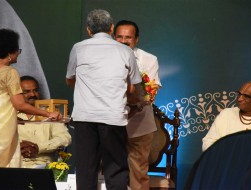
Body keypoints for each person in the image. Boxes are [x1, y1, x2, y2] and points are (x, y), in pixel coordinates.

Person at [66, 10, 141, 190]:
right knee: (115, 167)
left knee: (86, 167)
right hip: (113, 117)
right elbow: (135, 87)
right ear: (112, 28)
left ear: (88, 30)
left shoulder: (78, 48)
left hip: (85, 117)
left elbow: (70, 79)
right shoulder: (125, 50)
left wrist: (88, 88)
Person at [0, 29, 62, 167]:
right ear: (10, 52)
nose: (18, 54)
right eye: (18, 50)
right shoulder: (9, 72)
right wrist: (48, 113)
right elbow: (20, 105)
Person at [114, 20, 162, 190]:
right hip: (110, 123)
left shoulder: (149, 59)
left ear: (136, 39)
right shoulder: (105, 58)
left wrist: (135, 108)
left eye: (128, 37)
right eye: (119, 37)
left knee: (139, 172)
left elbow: (151, 92)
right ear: (113, 38)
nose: (124, 40)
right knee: (111, 170)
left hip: (139, 124)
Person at [202, 81, 251, 151]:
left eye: (246, 96)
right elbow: (208, 142)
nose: (239, 99)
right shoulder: (226, 114)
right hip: (227, 163)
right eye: (239, 94)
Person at [17, 75, 72, 168]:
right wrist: (18, 147)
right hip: (15, 165)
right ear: (16, 95)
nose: (32, 94)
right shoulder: (9, 115)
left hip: (43, 166)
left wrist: (39, 147)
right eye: (26, 92)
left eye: (35, 90)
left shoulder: (50, 113)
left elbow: (65, 138)